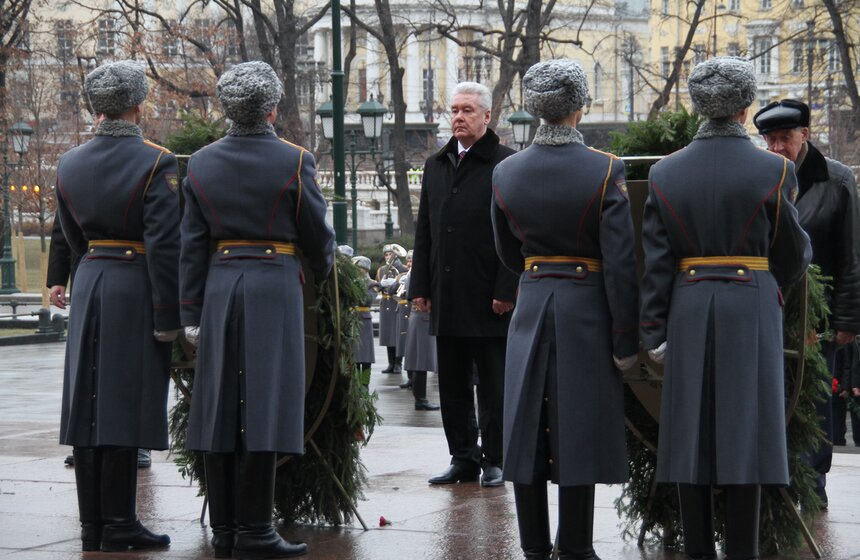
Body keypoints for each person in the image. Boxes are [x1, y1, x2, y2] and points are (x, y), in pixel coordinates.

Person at [640, 57, 811, 560]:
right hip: (751, 304)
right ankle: (742, 550)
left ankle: (697, 550)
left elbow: (656, 264)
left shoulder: (665, 172)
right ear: (746, 106)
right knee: (748, 431)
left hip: (688, 305)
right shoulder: (776, 169)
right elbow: (794, 252)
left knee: (689, 435)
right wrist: (758, 280)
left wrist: (653, 332)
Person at [180, 61, 334, 559]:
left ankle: (225, 529)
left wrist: (190, 311)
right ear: (271, 108)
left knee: (221, 407)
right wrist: (325, 268)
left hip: (221, 286)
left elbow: (191, 244)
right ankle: (256, 530)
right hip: (274, 286)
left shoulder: (200, 162)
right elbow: (317, 234)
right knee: (265, 406)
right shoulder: (294, 160)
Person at [491, 59, 638, 560]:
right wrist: (626, 338)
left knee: (525, 422)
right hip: (587, 307)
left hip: (531, 301)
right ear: (580, 107)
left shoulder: (505, 171)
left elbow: (507, 253)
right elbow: (621, 261)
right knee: (580, 423)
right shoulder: (605, 169)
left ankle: (533, 545)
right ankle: (574, 544)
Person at [55, 60, 179, 552]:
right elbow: (165, 245)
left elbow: (70, 235)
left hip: (90, 280)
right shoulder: (156, 161)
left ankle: (93, 525)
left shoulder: (69, 162)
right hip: (135, 284)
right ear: (137, 103)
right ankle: (122, 523)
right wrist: (171, 316)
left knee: (88, 402)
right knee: (125, 402)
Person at [410, 81, 518, 487]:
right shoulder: (435, 165)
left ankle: (496, 458)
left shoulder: (506, 164)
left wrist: (506, 289)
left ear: (487, 117)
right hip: (447, 293)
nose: (458, 117)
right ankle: (463, 457)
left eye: (468, 110)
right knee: (452, 384)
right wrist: (420, 284)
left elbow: (514, 231)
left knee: (493, 384)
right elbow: (425, 230)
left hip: (490, 295)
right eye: (453, 109)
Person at [753, 99, 860, 507]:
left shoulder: (837, 180)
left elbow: (851, 254)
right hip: (769, 307)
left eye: (786, 138)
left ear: (805, 136)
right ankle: (777, 485)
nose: (778, 147)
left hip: (820, 313)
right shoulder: (760, 177)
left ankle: (813, 485)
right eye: (771, 139)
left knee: (813, 399)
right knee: (775, 396)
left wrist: (847, 319)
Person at [400, 256, 441, 411]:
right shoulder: (417, 273)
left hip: (420, 317)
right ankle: (420, 399)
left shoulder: (413, 272)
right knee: (420, 362)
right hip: (423, 317)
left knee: (419, 361)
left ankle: (420, 398)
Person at [376, 243, 407, 374]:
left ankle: (398, 364)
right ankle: (391, 363)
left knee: (397, 334)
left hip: (396, 303)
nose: (388, 257)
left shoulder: (402, 268)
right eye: (386, 254)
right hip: (386, 304)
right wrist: (381, 284)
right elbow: (377, 287)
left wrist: (394, 284)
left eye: (390, 254)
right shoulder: (381, 270)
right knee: (388, 335)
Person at [352, 256, 377, 390]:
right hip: (353, 319)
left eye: (358, 269)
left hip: (365, 320)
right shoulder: (351, 282)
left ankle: (364, 383)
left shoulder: (372, 283)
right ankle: (355, 383)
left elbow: (365, 299)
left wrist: (363, 284)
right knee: (355, 356)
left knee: (366, 357)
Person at [395, 251, 413, 389]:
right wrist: (396, 283)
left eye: (411, 261)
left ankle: (414, 378)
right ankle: (409, 377)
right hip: (403, 312)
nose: (408, 263)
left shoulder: (417, 276)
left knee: (412, 347)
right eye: (407, 261)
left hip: (412, 312)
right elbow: (391, 291)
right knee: (405, 346)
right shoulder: (403, 275)